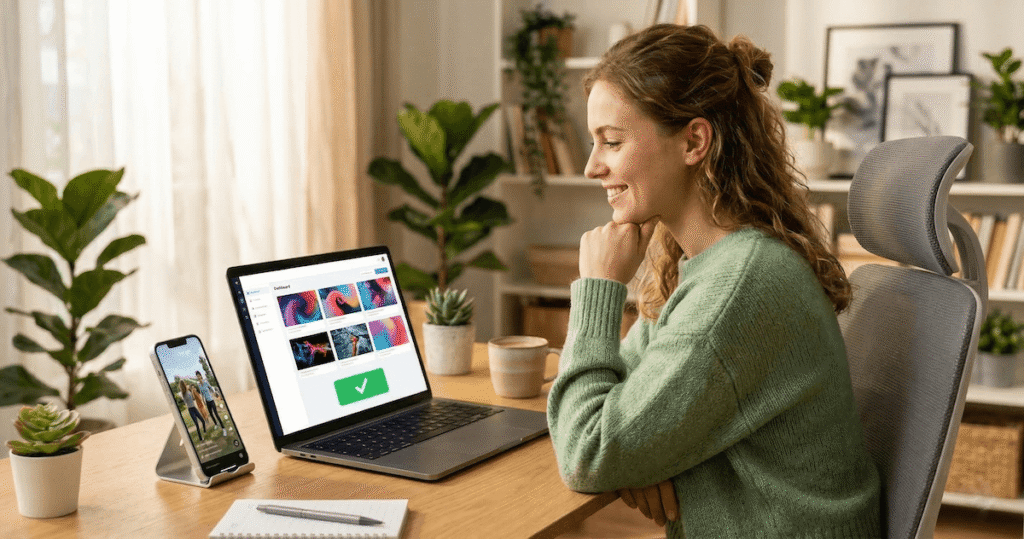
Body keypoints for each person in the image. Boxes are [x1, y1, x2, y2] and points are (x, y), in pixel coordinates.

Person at [545, 24, 882, 538]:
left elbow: (588, 449)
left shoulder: (740, 287)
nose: (593, 166)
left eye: (611, 141)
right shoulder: (713, 263)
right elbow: (622, 410)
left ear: (694, 141)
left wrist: (598, 288)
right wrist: (639, 455)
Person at [195, 370, 226, 436]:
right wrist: (203, 401)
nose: (198, 377)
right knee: (211, 414)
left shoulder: (205, 382)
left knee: (216, 414)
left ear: (200, 376)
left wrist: (214, 394)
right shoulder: (199, 384)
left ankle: (223, 429)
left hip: (211, 400)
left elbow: (211, 388)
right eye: (197, 376)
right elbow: (201, 393)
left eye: (198, 375)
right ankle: (216, 424)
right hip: (207, 401)